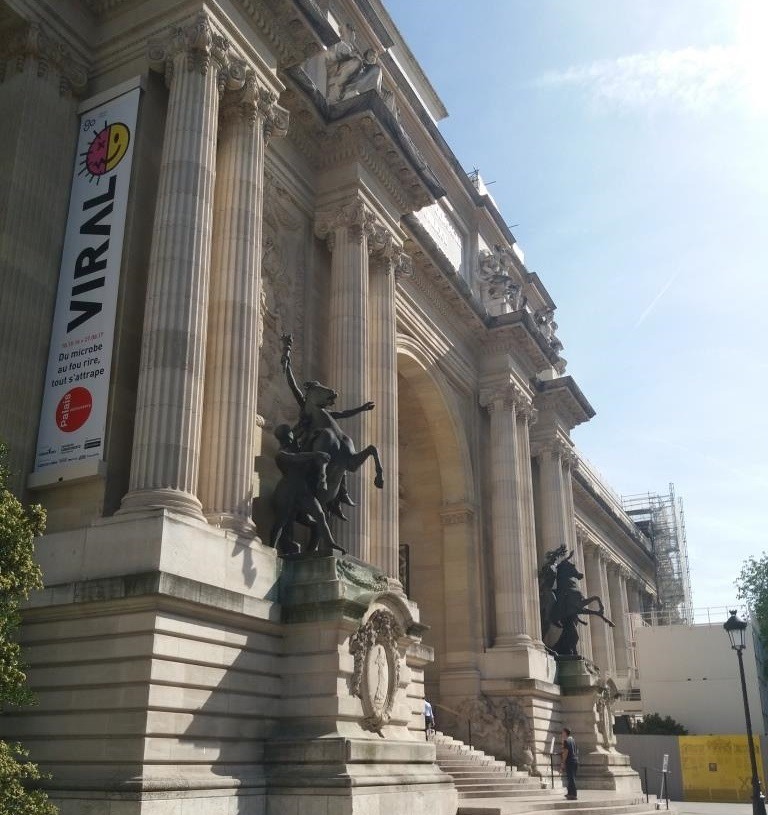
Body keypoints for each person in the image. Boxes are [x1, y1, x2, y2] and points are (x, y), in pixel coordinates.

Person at [561, 727, 578, 800]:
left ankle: (573, 794)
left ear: (565, 733)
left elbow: (565, 752)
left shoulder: (566, 741)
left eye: (562, 732)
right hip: (575, 760)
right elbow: (577, 750)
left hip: (570, 761)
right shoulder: (573, 740)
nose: (562, 734)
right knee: (571, 777)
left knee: (571, 778)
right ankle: (570, 793)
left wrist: (563, 762)